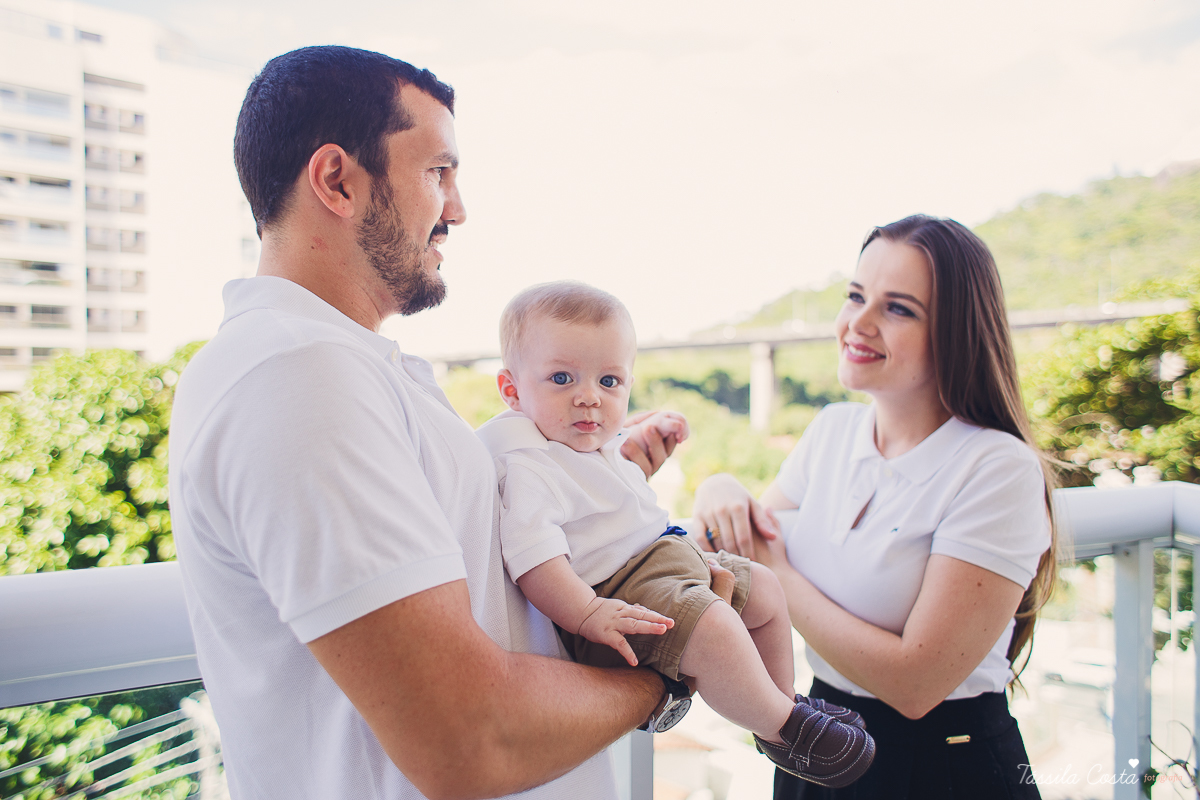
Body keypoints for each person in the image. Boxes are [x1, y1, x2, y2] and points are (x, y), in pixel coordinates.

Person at [168, 46, 716, 800]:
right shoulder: (296, 376)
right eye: (438, 172)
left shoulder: (338, 367)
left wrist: (595, 477)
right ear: (337, 181)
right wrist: (670, 666)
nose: (457, 209)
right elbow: (468, 737)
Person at [692, 215, 1058, 799]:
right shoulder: (832, 431)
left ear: (955, 333)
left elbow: (917, 684)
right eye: (856, 296)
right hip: (817, 743)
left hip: (940, 766)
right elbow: (739, 546)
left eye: (898, 309)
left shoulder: (997, 468)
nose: (858, 323)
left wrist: (777, 574)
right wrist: (718, 487)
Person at [476, 281, 875, 787]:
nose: (589, 397)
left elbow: (611, 483)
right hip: (616, 590)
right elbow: (536, 559)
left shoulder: (584, 440)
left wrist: (643, 435)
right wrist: (588, 612)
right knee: (714, 626)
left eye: (609, 381)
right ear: (512, 390)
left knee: (766, 590)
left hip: (666, 557)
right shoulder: (528, 464)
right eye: (561, 378)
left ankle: (783, 709)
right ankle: (781, 724)